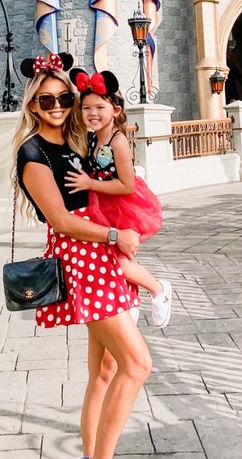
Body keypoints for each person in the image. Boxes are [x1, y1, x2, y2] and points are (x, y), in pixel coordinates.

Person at [13, 53, 152, 459]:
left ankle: (88, 458)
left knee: (106, 369)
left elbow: (110, 135)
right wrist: (115, 235)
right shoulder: (33, 153)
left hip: (99, 252)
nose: (56, 107)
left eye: (63, 99)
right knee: (137, 364)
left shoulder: (74, 139)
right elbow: (60, 219)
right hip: (80, 256)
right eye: (46, 101)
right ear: (32, 106)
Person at [64, 67, 172, 330]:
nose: (92, 113)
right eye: (86, 107)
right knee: (115, 257)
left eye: (100, 107)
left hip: (121, 206)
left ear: (115, 110)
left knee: (117, 262)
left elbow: (127, 185)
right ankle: (130, 300)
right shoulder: (91, 138)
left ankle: (159, 290)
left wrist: (90, 183)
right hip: (101, 205)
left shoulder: (117, 141)